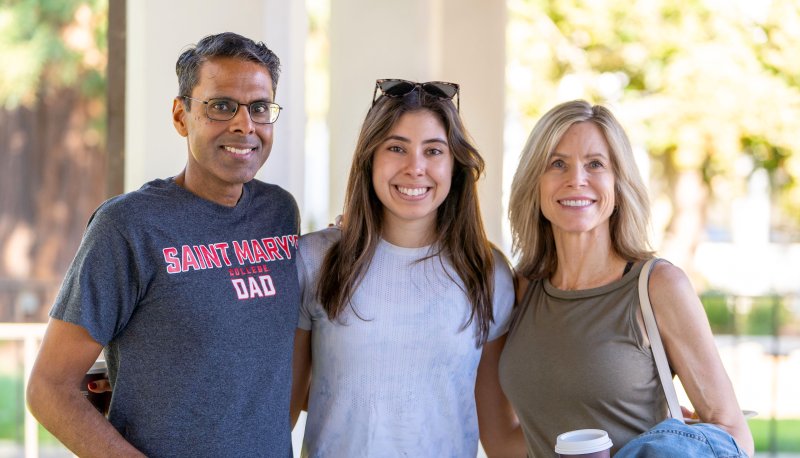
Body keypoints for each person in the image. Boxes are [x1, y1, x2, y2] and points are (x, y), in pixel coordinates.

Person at [26, 32, 300, 457]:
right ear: (180, 115)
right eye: (221, 106)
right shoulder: (129, 226)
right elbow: (49, 388)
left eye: (259, 108)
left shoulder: (280, 213)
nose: (244, 124)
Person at [498, 99, 754, 456]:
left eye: (595, 164)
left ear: (618, 184)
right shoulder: (518, 291)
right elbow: (505, 441)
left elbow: (733, 434)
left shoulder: (657, 286)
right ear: (535, 183)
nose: (576, 179)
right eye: (557, 164)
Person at [289, 79, 522, 457]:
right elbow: (285, 407)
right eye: (396, 148)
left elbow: (497, 436)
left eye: (433, 151)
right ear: (370, 158)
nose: (415, 168)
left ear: (455, 165)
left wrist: (602, 426)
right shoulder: (315, 259)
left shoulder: (486, 271)